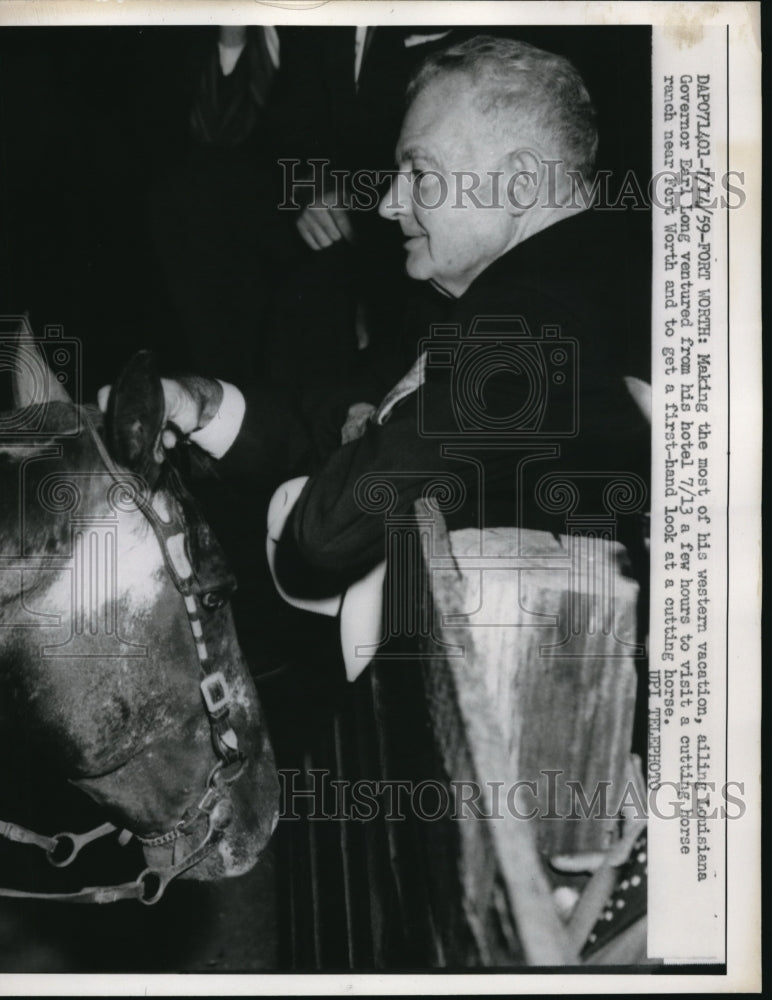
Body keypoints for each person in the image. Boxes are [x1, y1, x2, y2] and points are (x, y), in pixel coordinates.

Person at [109, 35, 650, 600]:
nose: (388, 203)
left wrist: (374, 433)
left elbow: (328, 528)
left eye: (419, 173)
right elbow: (325, 416)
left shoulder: (539, 322)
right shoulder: (502, 299)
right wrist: (196, 402)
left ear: (519, 183)